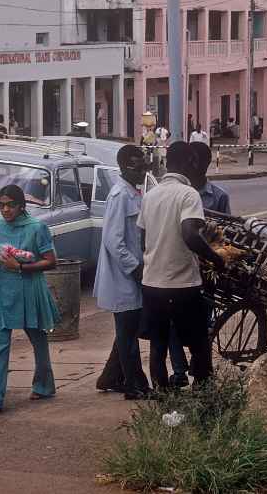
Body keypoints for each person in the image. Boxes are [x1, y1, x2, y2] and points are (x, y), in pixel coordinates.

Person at [138, 142, 225, 391]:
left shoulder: (151, 195)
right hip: (182, 284)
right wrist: (215, 259)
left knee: (158, 346)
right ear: (190, 163)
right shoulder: (189, 195)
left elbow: (142, 239)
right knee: (198, 343)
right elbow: (190, 233)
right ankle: (206, 396)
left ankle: (163, 400)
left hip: (152, 283)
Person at [0, 185, 60, 416]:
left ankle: (43, 385)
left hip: (31, 289)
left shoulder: (37, 227)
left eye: (10, 204)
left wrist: (21, 266)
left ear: (21, 206)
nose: (5, 209)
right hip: (5, 290)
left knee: (38, 340)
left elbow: (51, 261)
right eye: (1, 205)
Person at [94, 146, 152, 398]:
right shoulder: (120, 196)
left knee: (127, 333)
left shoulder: (134, 193)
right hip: (123, 278)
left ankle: (111, 377)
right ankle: (135, 386)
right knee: (128, 336)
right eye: (139, 167)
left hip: (132, 276)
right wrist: (136, 268)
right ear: (126, 166)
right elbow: (113, 241)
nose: (144, 171)